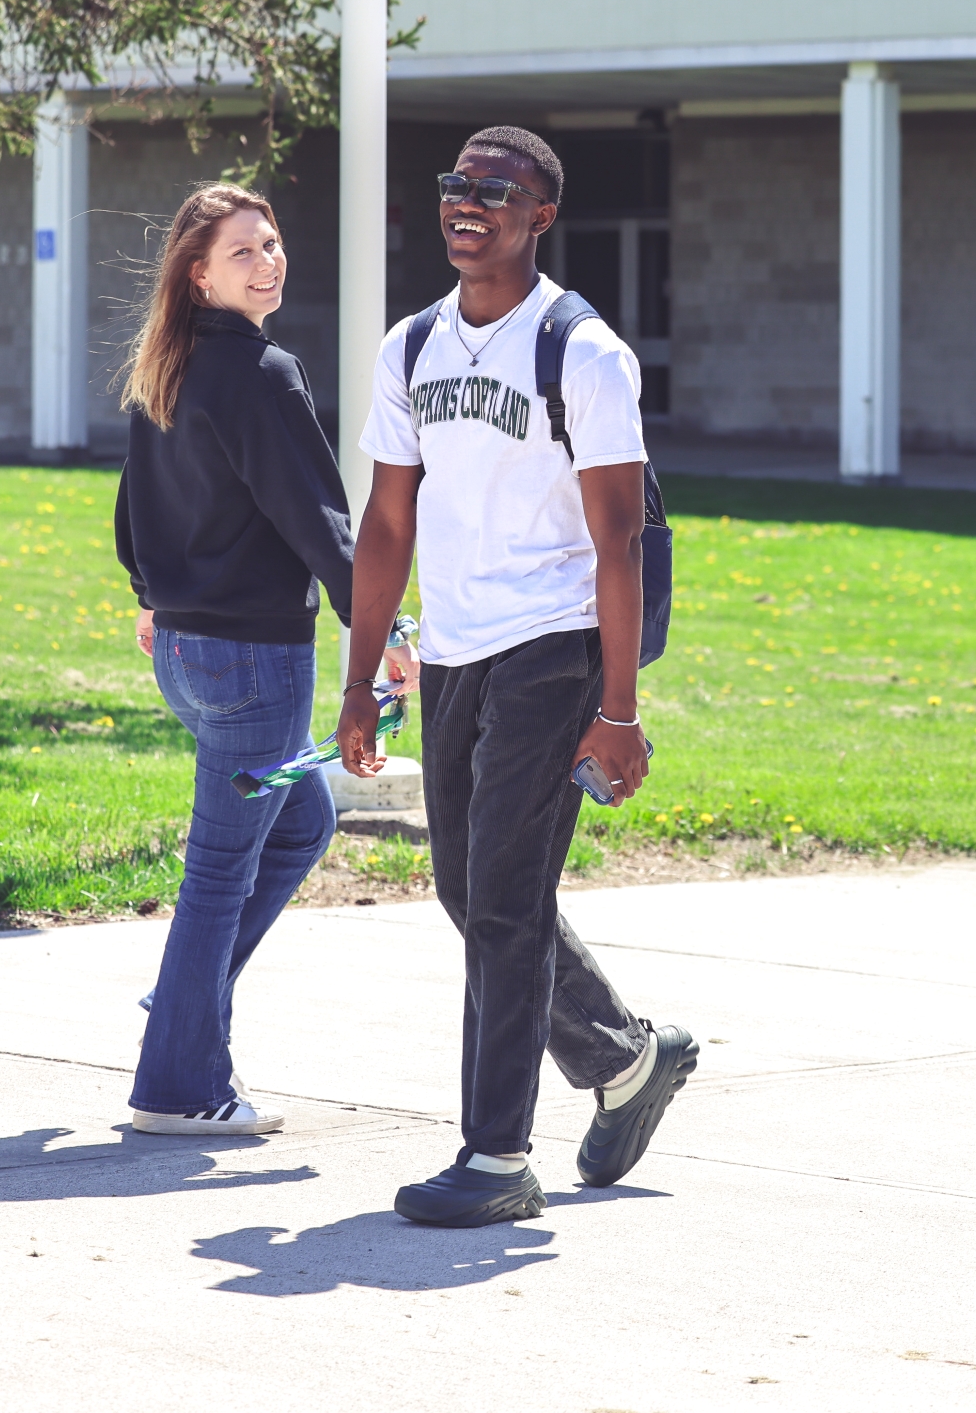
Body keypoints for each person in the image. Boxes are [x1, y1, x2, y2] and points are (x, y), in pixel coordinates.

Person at [339, 125, 697, 1227]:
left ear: (541, 214)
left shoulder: (581, 351)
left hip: (554, 645)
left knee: (498, 894)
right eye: (457, 185)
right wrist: (359, 680)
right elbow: (386, 519)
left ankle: (496, 1156)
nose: (468, 202)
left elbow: (620, 537)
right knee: (470, 889)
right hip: (451, 649)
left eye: (496, 189)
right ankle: (626, 1057)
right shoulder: (411, 347)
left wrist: (619, 707)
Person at [114, 183, 404, 1137]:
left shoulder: (167, 365)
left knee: (301, 820)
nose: (267, 262)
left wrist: (153, 597)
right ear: (198, 274)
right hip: (252, 669)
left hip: (189, 660)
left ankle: (182, 1007)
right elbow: (321, 523)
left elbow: (131, 515)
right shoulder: (263, 373)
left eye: (272, 244)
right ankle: (182, 1087)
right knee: (219, 874)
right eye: (242, 252)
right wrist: (387, 635)